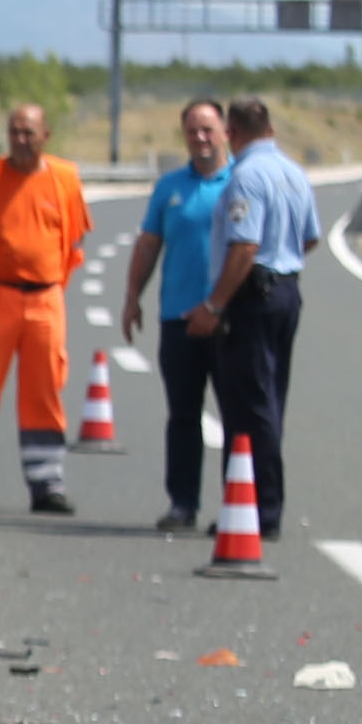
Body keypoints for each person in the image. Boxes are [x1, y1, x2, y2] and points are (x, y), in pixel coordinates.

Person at [0, 102, 92, 513]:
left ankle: (46, 485)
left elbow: (74, 238)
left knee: (44, 392)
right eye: (14, 132)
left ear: (46, 135)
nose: (21, 141)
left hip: (45, 299)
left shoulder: (65, 179)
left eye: (28, 133)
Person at [188, 95, 321, 540]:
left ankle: (258, 511)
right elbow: (309, 239)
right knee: (270, 398)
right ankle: (251, 506)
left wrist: (214, 306)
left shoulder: (246, 176)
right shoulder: (294, 172)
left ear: (233, 133)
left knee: (249, 406)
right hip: (285, 289)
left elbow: (244, 247)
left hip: (252, 296)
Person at [121, 97, 232, 532]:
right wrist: (133, 297)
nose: (201, 138)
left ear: (225, 132)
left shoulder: (241, 181)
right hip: (178, 319)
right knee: (183, 415)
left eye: (208, 129)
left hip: (229, 319)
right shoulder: (170, 188)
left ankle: (238, 508)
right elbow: (149, 244)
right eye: (192, 131)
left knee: (235, 417)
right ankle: (182, 503)